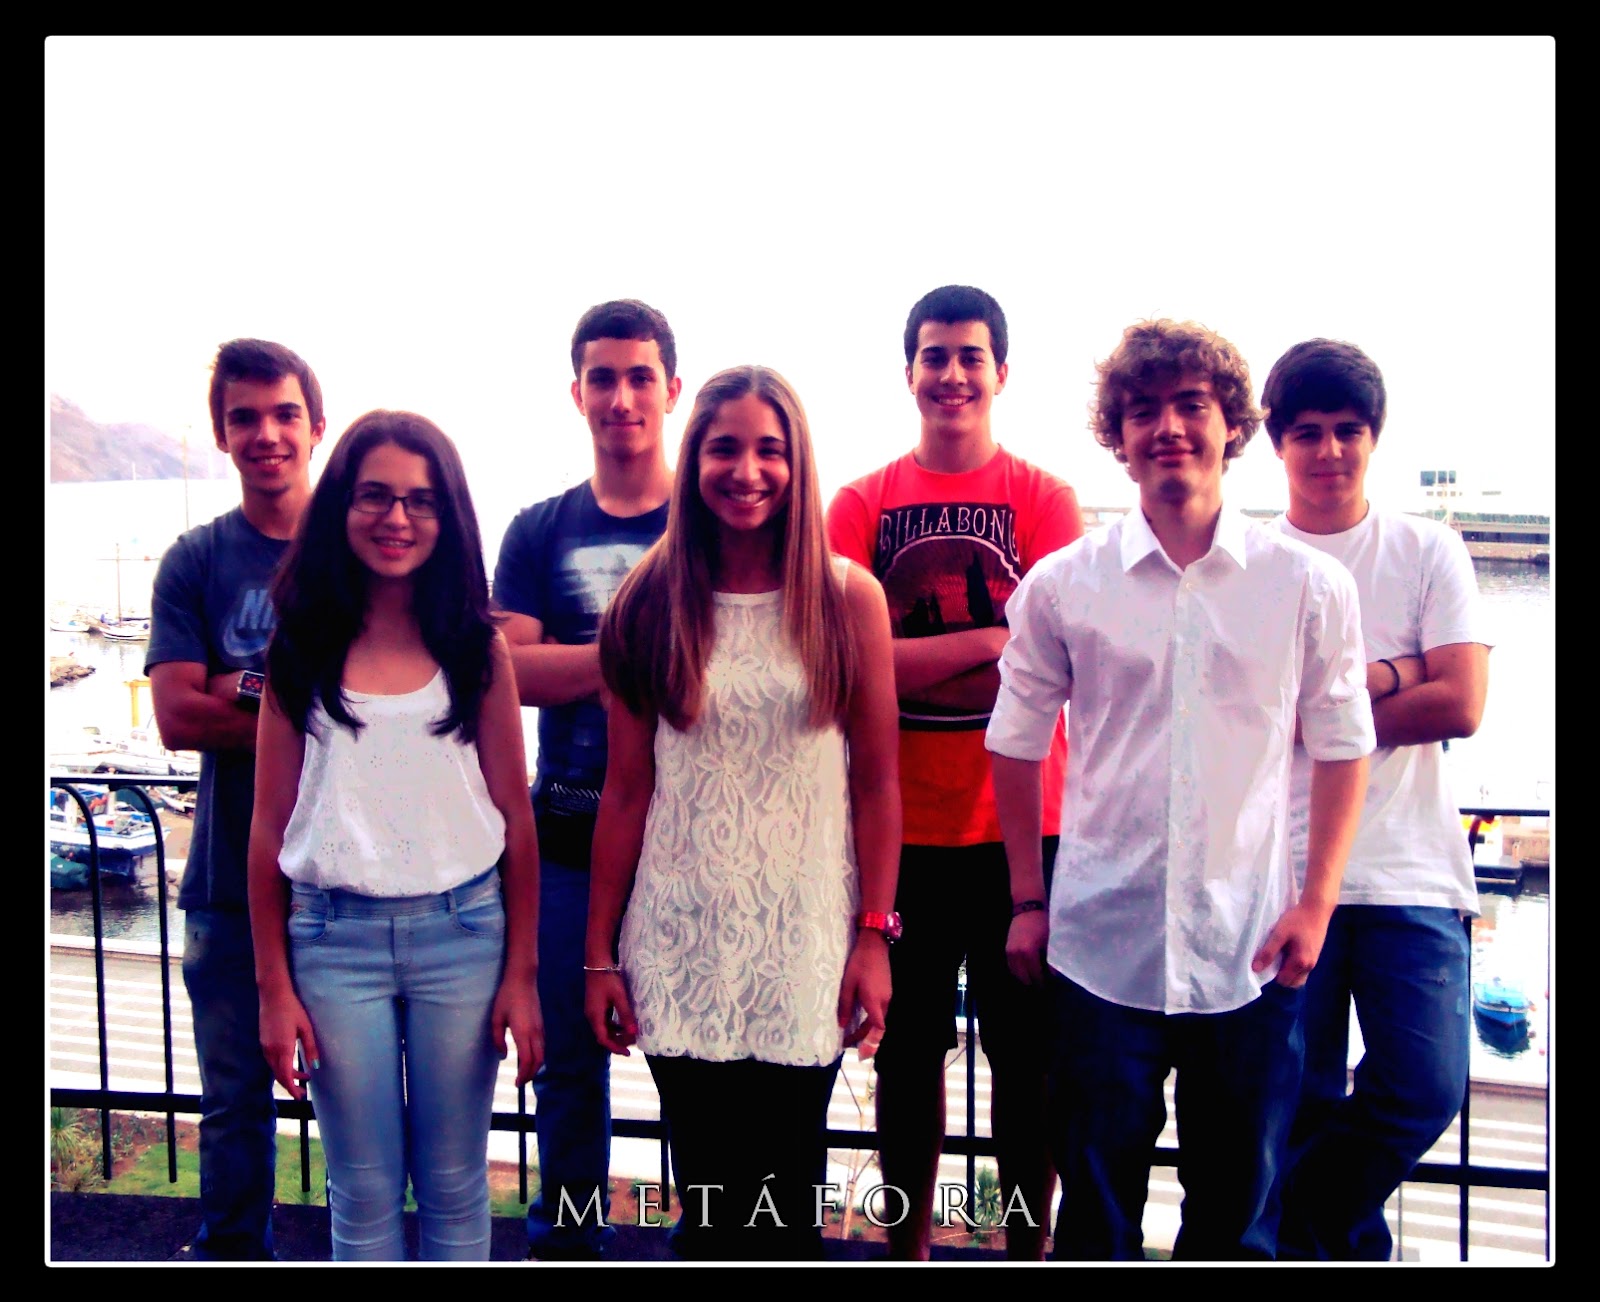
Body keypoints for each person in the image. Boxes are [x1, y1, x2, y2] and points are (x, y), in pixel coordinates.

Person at [987, 319, 1374, 1260]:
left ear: (1231, 424)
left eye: (1191, 405)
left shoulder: (1309, 586)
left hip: (1248, 949)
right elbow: (1014, 743)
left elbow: (1343, 745)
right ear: (1116, 437)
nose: (1167, 427)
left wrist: (1317, 903)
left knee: (1237, 1220)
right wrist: (1028, 901)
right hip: (1099, 949)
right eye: (1142, 410)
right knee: (1096, 1217)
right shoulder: (1062, 585)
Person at [585, 365, 901, 1260]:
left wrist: (874, 936)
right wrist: (599, 956)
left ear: (798, 464)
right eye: (724, 448)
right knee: (713, 1208)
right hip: (681, 943)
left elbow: (878, 783)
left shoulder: (847, 598)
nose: (748, 470)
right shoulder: (647, 601)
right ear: (694, 461)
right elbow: (626, 791)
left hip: (804, 946)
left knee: (787, 1209)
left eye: (770, 450)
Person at [247, 411, 543, 1261]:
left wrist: (522, 977)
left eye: (421, 500)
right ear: (341, 506)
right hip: (333, 943)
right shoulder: (300, 648)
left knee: (454, 1185)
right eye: (374, 496)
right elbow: (268, 828)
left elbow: (515, 820)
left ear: (448, 517)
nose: (397, 518)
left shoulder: (477, 649)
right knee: (364, 1190)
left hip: (463, 936)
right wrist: (274, 989)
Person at [825, 284, 1082, 1259]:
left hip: (1025, 832)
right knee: (904, 1065)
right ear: (908, 373)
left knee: (1029, 1066)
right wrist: (992, 638)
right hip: (901, 833)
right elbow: (844, 662)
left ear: (1001, 373)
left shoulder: (1044, 499)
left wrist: (903, 655)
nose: (952, 374)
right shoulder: (861, 504)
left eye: (971, 356)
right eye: (934, 356)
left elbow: (1056, 657)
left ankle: (1028, 1248)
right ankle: (909, 1250)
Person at [1261, 339, 1489, 1260]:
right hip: (1283, 875)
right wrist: (1403, 675)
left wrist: (1344, 696)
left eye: (1349, 430)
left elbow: (1461, 703)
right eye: (1308, 432)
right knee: (1298, 1098)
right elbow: (1257, 722)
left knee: (1425, 1085)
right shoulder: (1254, 563)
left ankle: (1292, 1226)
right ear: (1276, 442)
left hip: (1411, 874)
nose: (1329, 451)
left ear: (1374, 437)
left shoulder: (1428, 550)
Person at [492, 298, 681, 1259]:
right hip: (565, 834)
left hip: (693, 839)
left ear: (672, 390)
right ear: (577, 393)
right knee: (568, 1070)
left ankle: (713, 1243)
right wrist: (636, 659)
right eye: (602, 378)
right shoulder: (538, 530)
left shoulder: (712, 520)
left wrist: (578, 660)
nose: (621, 397)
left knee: (701, 1067)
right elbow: (509, 676)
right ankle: (567, 1245)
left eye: (640, 376)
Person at [147, 338, 326, 1260]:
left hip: (348, 882)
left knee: (365, 1100)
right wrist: (298, 701)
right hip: (224, 880)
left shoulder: (360, 549)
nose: (267, 434)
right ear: (221, 434)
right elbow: (178, 715)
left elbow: (385, 707)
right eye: (245, 417)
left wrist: (240, 687)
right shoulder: (195, 559)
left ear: (316, 424)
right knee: (232, 1104)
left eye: (285, 413)